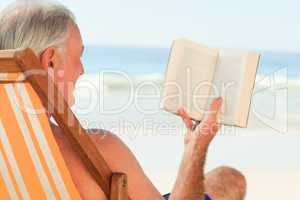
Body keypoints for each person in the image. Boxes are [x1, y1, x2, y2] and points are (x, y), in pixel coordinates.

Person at [0, 1, 247, 200]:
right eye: (78, 56)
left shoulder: (12, 154)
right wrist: (197, 147)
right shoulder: (96, 149)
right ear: (50, 61)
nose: (82, 70)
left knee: (226, 177)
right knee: (233, 182)